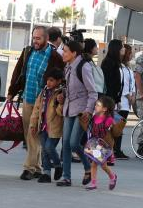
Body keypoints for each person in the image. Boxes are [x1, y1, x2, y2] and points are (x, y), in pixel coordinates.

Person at [6, 26, 64, 181]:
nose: (35, 41)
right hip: (28, 98)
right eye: (34, 38)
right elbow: (18, 73)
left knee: (33, 134)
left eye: (38, 38)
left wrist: (59, 96)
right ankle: (37, 167)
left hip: (45, 103)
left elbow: (61, 78)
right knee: (30, 135)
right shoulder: (28, 52)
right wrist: (12, 91)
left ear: (45, 38)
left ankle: (29, 168)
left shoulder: (54, 57)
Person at [57, 40, 97, 187]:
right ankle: (66, 177)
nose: (63, 53)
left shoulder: (83, 67)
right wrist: (62, 96)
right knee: (66, 144)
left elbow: (92, 92)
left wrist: (88, 110)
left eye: (66, 51)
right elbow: (70, 89)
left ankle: (88, 167)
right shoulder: (68, 66)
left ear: (74, 53)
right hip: (68, 108)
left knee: (74, 143)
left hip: (81, 111)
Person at [79, 96, 124, 191]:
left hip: (104, 146)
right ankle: (93, 183)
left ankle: (112, 177)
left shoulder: (109, 119)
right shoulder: (94, 117)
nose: (95, 106)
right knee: (94, 164)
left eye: (98, 105)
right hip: (95, 145)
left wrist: (119, 124)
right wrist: (82, 119)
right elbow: (88, 128)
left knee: (103, 166)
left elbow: (115, 132)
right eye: (96, 104)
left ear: (104, 109)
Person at [29, 67, 64, 183]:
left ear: (59, 81)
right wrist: (33, 124)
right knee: (44, 150)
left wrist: (61, 103)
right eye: (47, 80)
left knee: (49, 147)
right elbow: (36, 109)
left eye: (52, 80)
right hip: (42, 126)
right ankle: (47, 174)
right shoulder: (43, 92)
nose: (48, 83)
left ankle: (58, 165)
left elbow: (61, 112)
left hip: (54, 127)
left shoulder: (61, 93)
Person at [114, 44, 135, 160]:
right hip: (122, 101)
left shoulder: (128, 68)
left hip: (128, 102)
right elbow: (122, 84)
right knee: (118, 127)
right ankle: (115, 149)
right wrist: (128, 95)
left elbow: (132, 83)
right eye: (130, 52)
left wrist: (133, 94)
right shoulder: (120, 68)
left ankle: (117, 148)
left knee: (121, 127)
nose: (131, 55)